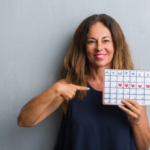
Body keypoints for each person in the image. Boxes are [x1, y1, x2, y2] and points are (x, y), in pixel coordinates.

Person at [17, 14, 150, 150]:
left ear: (116, 44)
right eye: (91, 41)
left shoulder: (134, 85)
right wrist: (54, 90)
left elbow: (144, 147)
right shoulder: (68, 86)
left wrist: (137, 122)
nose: (99, 47)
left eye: (105, 41)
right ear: (83, 46)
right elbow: (24, 121)